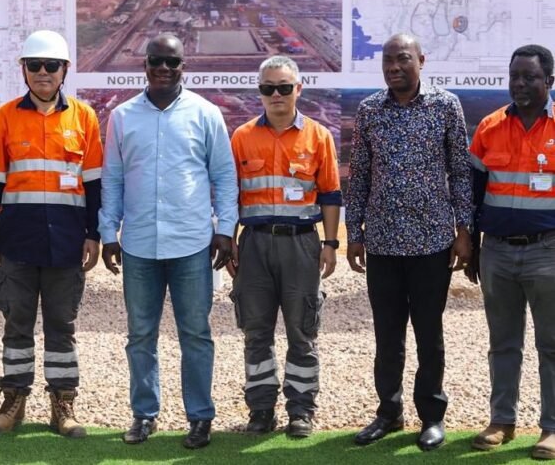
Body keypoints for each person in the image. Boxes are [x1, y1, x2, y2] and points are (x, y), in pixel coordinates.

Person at [98, 33, 238, 449]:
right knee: (140, 335)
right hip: (139, 244)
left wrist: (225, 229)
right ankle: (144, 414)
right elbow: (113, 179)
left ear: (183, 66)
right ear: (144, 64)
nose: (163, 68)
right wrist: (110, 231)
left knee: (195, 334)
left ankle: (200, 417)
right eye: (156, 60)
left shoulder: (206, 114)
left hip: (192, 244)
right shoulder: (123, 117)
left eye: (171, 62)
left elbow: (224, 177)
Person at [345, 33, 472, 451]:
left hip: (432, 242)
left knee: (429, 334)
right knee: (387, 336)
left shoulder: (445, 107)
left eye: (402, 59)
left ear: (421, 60)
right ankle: (389, 411)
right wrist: (355, 232)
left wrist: (463, 231)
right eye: (387, 60)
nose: (394, 66)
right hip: (381, 242)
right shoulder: (369, 112)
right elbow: (360, 174)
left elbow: (459, 171)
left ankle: (431, 416)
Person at [0, 30, 102, 437]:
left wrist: (94, 233)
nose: (43, 73)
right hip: (18, 242)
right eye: (35, 66)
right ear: (24, 71)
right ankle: (13, 401)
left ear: (65, 70)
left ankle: (63, 405)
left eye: (51, 66)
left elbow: (96, 183)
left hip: (66, 244)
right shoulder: (5, 117)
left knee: (61, 328)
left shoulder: (84, 118)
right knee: (17, 326)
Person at [228, 55, 341, 437]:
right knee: (255, 331)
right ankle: (261, 410)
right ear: (259, 92)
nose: (276, 95)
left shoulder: (318, 136)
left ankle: (301, 410)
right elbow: (230, 196)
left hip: (301, 245)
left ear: (298, 89)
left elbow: (329, 194)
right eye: (267, 88)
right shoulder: (242, 136)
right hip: (256, 246)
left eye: (283, 87)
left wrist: (330, 243)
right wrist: (230, 242)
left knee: (302, 330)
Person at [466, 44, 555, 460]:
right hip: (497, 254)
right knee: (503, 343)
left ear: (549, 82)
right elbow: (473, 193)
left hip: (547, 253)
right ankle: (502, 421)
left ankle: (551, 429)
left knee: (551, 345)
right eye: (515, 76)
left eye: (530, 77)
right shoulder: (489, 126)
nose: (520, 84)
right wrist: (470, 245)